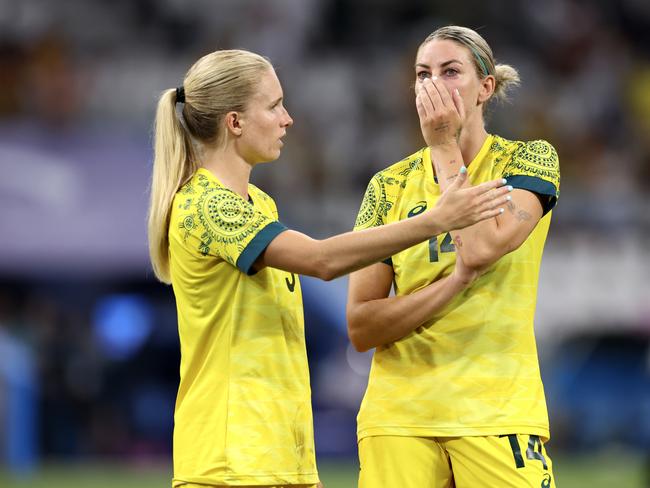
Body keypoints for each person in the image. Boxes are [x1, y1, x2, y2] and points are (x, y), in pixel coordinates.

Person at [147, 49, 511, 488]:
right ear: (235, 122)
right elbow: (322, 260)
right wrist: (435, 220)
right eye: (274, 105)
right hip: (229, 460)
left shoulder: (258, 204)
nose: (288, 119)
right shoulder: (205, 204)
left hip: (276, 455)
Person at [347, 26, 561, 488]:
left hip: (496, 410)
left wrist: (444, 146)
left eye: (450, 72)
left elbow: (483, 248)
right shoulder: (387, 186)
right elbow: (362, 326)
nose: (433, 85)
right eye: (423, 74)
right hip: (399, 417)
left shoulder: (529, 161)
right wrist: (457, 280)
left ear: (485, 87)